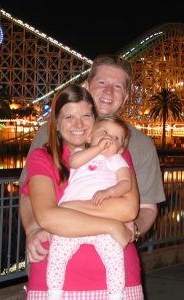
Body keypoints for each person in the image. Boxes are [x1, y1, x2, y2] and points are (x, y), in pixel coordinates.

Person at [20, 54, 166, 299]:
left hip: (115, 268)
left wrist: (131, 230)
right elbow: (30, 196)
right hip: (55, 267)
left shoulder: (129, 148)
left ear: (126, 95)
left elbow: (142, 208)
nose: (109, 91)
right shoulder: (47, 140)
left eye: (118, 86)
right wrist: (35, 228)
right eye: (102, 83)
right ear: (86, 87)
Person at [47, 115, 132, 300]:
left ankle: (116, 295)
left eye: (116, 138)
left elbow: (126, 183)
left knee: (115, 258)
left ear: (121, 149)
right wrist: (97, 148)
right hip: (72, 218)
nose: (109, 138)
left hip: (102, 219)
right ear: (89, 137)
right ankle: (54, 293)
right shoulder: (80, 153)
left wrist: (110, 192)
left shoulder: (116, 160)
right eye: (104, 132)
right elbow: (73, 163)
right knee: (57, 254)